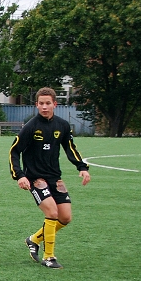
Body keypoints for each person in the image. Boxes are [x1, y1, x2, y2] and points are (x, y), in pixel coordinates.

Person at [10, 87, 91, 269]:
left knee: (65, 217)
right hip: (35, 178)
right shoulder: (31, 126)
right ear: (36, 104)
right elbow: (14, 151)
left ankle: (34, 239)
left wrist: (82, 168)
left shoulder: (62, 125)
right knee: (52, 213)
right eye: (41, 103)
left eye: (48, 103)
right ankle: (49, 257)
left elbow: (70, 148)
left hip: (55, 177)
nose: (44, 107)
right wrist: (20, 176)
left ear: (55, 104)